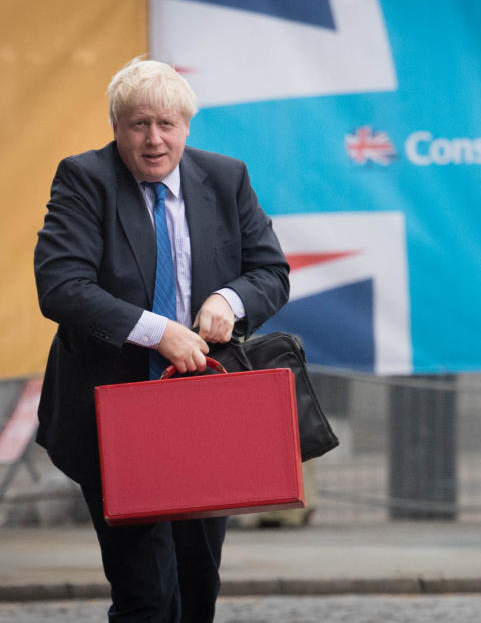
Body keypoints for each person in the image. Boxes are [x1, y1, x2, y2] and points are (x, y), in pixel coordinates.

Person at [33, 58, 290, 621]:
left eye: (167, 124)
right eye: (138, 125)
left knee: (198, 590)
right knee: (146, 598)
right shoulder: (85, 179)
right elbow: (61, 288)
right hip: (115, 420)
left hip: (205, 418)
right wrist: (160, 332)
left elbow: (271, 272)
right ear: (117, 128)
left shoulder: (226, 178)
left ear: (187, 126)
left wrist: (229, 300)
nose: (154, 140)